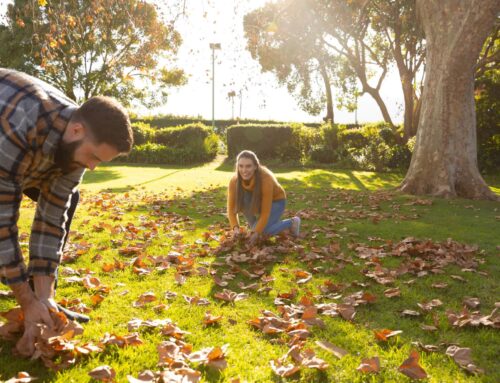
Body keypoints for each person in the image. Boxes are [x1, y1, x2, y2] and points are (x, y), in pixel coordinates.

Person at [0, 68, 133, 353]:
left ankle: (43, 299)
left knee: (68, 199)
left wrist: (43, 295)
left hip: (30, 156)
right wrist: (24, 299)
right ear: (76, 131)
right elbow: (2, 221)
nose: (93, 167)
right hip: (7, 140)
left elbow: (51, 217)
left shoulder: (74, 143)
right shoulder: (22, 121)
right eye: (94, 156)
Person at [227, 150, 300, 245]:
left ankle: (292, 222)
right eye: (241, 166)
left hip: (276, 201)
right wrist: (235, 228)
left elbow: (265, 213)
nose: (244, 170)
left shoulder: (266, 178)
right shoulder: (234, 181)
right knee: (255, 230)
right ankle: (260, 227)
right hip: (255, 201)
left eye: (248, 166)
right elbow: (231, 209)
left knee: (261, 233)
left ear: (255, 166)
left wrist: (256, 233)